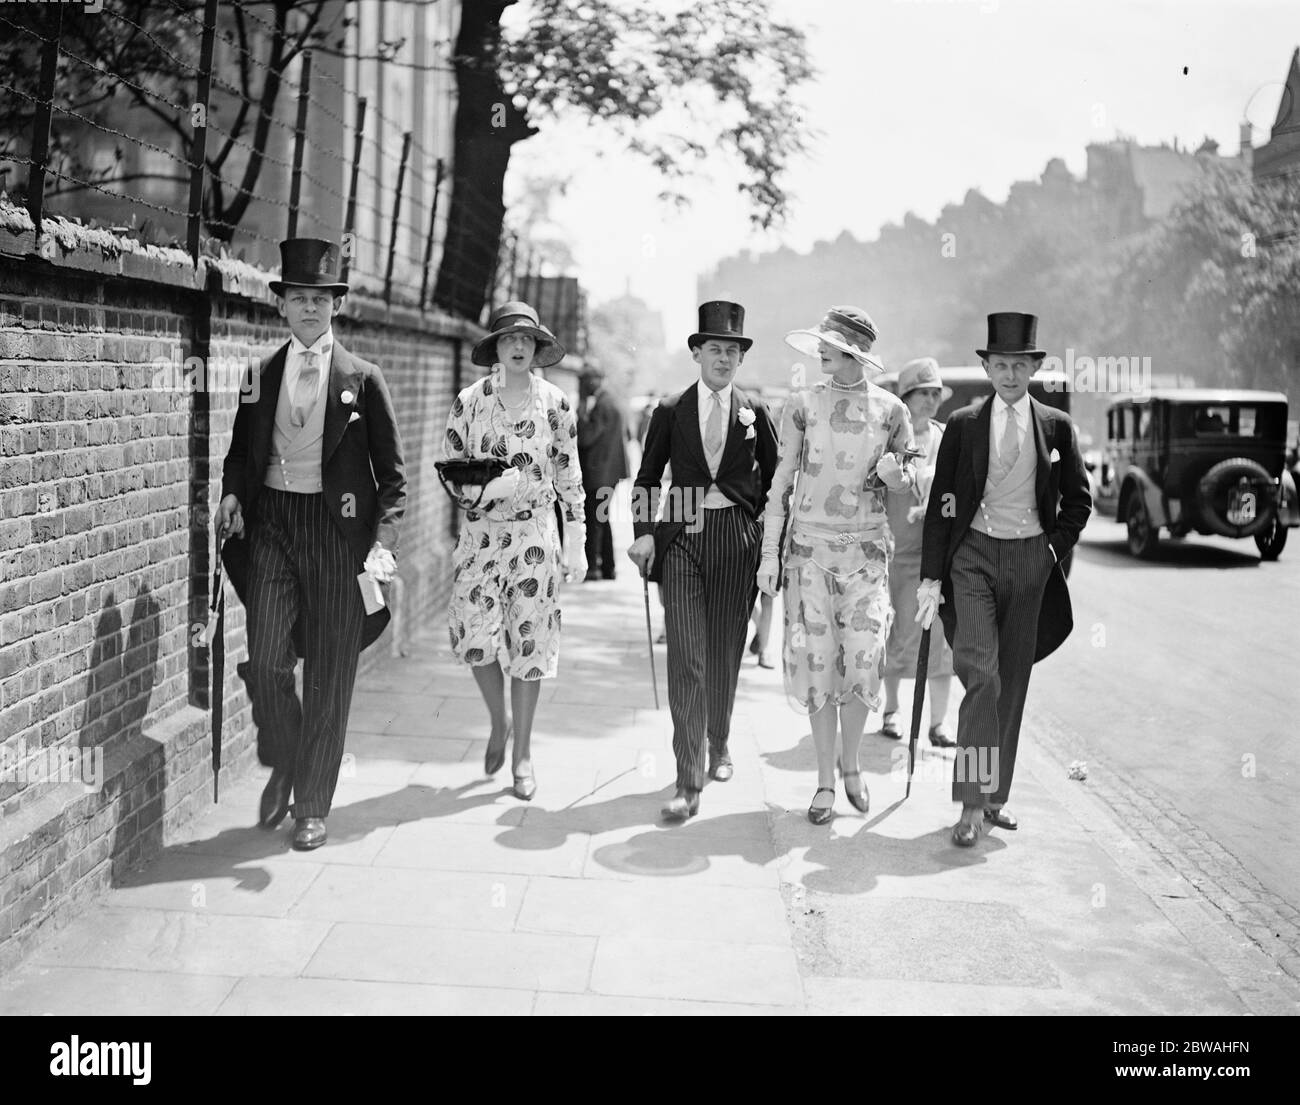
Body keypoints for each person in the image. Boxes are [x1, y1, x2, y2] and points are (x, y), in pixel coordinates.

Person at [215, 238, 406, 851]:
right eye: (298, 298)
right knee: (268, 659)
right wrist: (232, 496)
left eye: (320, 300)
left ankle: (312, 806)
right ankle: (289, 757)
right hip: (272, 525)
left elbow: (393, 479)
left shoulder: (363, 380)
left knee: (328, 674)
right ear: (281, 307)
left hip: (336, 537)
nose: (309, 309)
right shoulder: (257, 377)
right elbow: (242, 453)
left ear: (334, 307)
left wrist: (381, 546)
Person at [917, 312, 1092, 847]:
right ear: (988, 367)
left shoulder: (1057, 426)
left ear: (1034, 367)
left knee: (1012, 683)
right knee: (982, 674)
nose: (1010, 374)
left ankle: (994, 798)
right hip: (971, 557)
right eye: (1001, 364)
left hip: (1029, 564)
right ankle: (971, 803)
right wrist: (930, 578)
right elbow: (942, 506)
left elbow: (1079, 502)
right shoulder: (965, 424)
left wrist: (1050, 551)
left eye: (1020, 364)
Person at [757, 306, 916, 824]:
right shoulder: (801, 404)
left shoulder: (892, 411)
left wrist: (895, 476)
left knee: (865, 660)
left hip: (867, 556)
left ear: (854, 353)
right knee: (819, 667)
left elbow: (909, 485)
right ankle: (826, 780)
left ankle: (853, 763)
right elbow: (781, 482)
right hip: (808, 555)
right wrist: (768, 556)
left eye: (829, 343)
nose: (819, 350)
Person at [628, 301, 779, 820]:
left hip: (736, 537)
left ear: (740, 357)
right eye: (714, 348)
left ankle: (720, 741)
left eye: (732, 350)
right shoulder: (670, 411)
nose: (723, 358)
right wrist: (645, 535)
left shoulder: (755, 410)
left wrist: (760, 533)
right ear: (696, 353)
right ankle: (687, 780)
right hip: (684, 534)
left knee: (723, 651)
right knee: (687, 654)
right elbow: (648, 480)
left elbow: (776, 481)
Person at [442, 302, 586, 802]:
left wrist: (579, 542)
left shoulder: (556, 404)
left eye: (527, 340)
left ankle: (522, 754)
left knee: (530, 648)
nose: (519, 347)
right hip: (482, 533)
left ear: (538, 347)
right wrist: (475, 492)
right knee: (475, 639)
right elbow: (452, 468)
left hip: (534, 538)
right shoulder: (469, 401)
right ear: (496, 349)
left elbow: (569, 474)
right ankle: (497, 719)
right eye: (509, 340)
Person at [882, 357, 957, 747]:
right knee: (898, 632)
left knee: (943, 640)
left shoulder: (948, 437)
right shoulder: (891, 437)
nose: (929, 401)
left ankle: (938, 722)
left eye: (934, 393)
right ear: (905, 397)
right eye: (921, 393)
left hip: (942, 555)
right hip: (899, 550)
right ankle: (892, 710)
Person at [576, 366, 629, 580]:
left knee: (595, 520)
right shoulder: (609, 401)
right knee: (601, 519)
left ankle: (594, 568)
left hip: (600, 473)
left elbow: (586, 437)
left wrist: (580, 410)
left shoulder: (603, 405)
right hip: (606, 473)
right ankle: (607, 567)